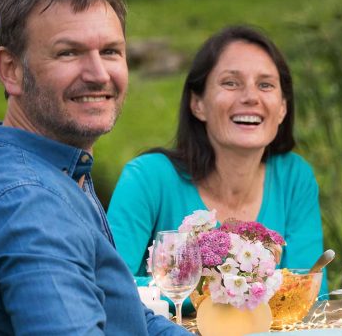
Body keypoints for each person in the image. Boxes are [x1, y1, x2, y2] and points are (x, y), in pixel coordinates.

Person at [0, 0, 188, 334]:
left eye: (111, 51)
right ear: (11, 69)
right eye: (69, 53)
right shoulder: (29, 207)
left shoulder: (52, 166)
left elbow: (123, 315)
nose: (98, 73)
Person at [107, 26, 326, 295]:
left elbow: (310, 292)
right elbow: (110, 286)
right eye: (230, 83)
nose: (250, 97)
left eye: (265, 85)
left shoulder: (294, 177)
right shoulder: (147, 179)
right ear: (197, 103)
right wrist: (227, 293)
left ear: (282, 108)